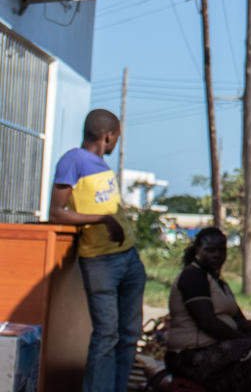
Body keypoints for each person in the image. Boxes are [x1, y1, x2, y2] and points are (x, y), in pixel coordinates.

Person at [48, 109, 146, 392]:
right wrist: (102, 219)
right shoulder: (73, 160)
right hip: (101, 262)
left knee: (129, 335)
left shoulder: (101, 164)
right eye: (117, 137)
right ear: (108, 136)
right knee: (107, 335)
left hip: (128, 257)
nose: (116, 142)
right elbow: (57, 213)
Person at [165, 228, 251, 392]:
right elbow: (207, 322)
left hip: (220, 347)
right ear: (197, 249)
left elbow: (239, 321)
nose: (217, 255)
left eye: (221, 250)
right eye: (210, 250)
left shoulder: (219, 283)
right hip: (191, 355)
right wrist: (245, 339)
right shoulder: (193, 276)